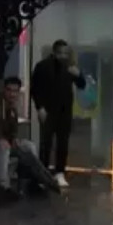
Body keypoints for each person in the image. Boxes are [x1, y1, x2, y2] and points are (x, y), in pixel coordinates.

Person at [0, 77, 62, 199]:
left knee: (28, 146)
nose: (12, 94)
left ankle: (33, 180)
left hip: (3, 142)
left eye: (15, 91)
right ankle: (3, 187)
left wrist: (13, 139)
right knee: (3, 148)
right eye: (9, 90)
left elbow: (13, 131)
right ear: (4, 90)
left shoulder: (12, 109)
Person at [30, 40, 86, 188]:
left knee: (63, 143)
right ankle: (44, 174)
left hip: (65, 111)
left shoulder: (70, 67)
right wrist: (39, 107)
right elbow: (35, 88)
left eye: (65, 53)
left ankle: (60, 172)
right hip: (48, 110)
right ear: (54, 52)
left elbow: (82, 84)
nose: (62, 56)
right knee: (46, 143)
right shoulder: (42, 66)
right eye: (60, 53)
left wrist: (79, 74)